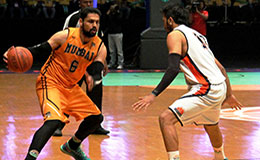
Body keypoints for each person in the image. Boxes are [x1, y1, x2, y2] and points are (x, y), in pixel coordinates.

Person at [132, 3, 242, 160]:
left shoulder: (175, 35)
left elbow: (173, 68)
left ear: (170, 20)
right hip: (219, 87)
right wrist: (229, 94)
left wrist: (153, 94)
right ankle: (221, 157)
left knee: (166, 119)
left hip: (206, 88)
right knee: (211, 123)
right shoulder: (198, 35)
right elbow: (222, 69)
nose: (163, 23)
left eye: (163, 19)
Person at [3, 7, 106, 160]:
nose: (94, 26)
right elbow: (40, 49)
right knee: (53, 121)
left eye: (97, 22)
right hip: (50, 82)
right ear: (81, 22)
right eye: (91, 21)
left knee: (96, 118)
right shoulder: (65, 35)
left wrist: (94, 76)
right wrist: (15, 53)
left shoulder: (99, 45)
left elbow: (98, 64)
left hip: (70, 88)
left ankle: (72, 146)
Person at [53, 0, 110, 136]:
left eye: (91, 2)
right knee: (69, 92)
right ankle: (58, 124)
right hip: (75, 61)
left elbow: (99, 42)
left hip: (92, 61)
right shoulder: (72, 18)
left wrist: (104, 62)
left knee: (96, 92)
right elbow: (63, 38)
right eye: (86, 2)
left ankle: (95, 125)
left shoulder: (95, 18)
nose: (89, 4)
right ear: (80, 4)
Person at [106, 1, 125, 69]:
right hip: (110, 33)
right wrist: (109, 13)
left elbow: (120, 20)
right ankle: (112, 62)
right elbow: (107, 21)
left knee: (119, 50)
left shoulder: (119, 13)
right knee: (111, 50)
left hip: (118, 33)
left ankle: (120, 63)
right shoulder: (109, 14)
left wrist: (116, 12)